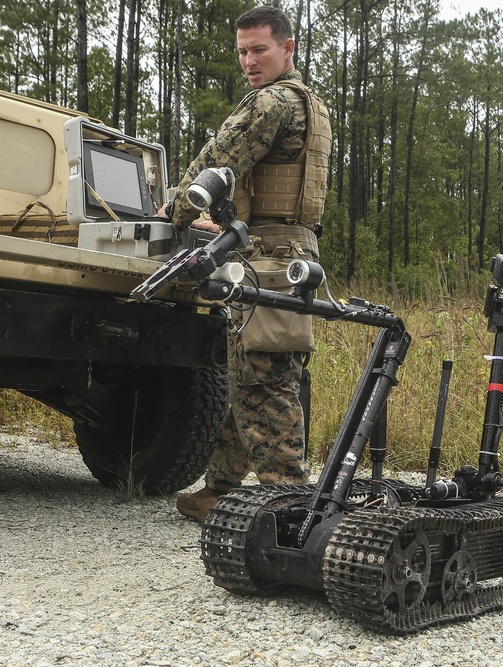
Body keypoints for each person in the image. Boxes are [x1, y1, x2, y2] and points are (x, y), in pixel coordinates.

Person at [165, 5, 332, 522]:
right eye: (241, 51)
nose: (248, 61)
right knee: (249, 371)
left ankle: (289, 503)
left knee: (264, 381)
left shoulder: (273, 103)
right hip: (288, 253)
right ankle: (219, 488)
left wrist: (172, 211)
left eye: (259, 49)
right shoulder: (313, 104)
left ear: (288, 49)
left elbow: (219, 159)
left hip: (268, 260)